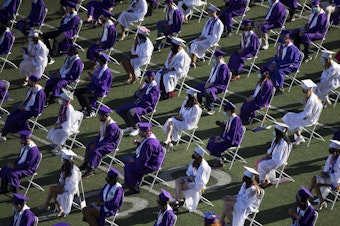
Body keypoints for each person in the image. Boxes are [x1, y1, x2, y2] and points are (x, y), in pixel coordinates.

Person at [0, 75, 46, 141]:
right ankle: (25, 130)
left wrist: (26, 108)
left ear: (33, 82)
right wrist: (23, 106)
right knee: (10, 117)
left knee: (15, 119)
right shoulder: (32, 88)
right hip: (24, 108)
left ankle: (4, 133)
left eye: (29, 81)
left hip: (31, 110)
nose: (28, 82)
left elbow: (38, 106)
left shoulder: (40, 93)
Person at [124, 122, 164, 195]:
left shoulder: (150, 143)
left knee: (129, 166)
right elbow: (145, 150)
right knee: (127, 160)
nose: (139, 132)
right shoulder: (149, 137)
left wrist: (134, 161)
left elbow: (144, 159)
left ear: (145, 132)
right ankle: (134, 180)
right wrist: (139, 144)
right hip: (150, 160)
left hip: (151, 164)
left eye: (140, 131)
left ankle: (134, 188)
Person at [80, 106, 121, 178]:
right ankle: (86, 164)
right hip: (104, 140)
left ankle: (90, 170)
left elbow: (108, 140)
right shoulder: (104, 122)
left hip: (111, 144)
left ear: (105, 116)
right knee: (89, 145)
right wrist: (95, 142)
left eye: (100, 116)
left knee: (95, 150)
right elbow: (101, 134)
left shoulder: (112, 126)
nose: (99, 117)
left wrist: (97, 145)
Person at [39, 149, 81, 217]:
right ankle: (60, 209)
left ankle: (46, 205)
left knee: (52, 188)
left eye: (63, 158)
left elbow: (73, 183)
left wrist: (62, 186)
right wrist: (60, 184)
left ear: (65, 160)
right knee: (53, 193)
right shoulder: (65, 166)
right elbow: (62, 178)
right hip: (63, 186)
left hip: (69, 189)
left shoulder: (73, 170)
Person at [117, 70, 160, 136]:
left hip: (146, 106)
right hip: (138, 103)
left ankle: (137, 128)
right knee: (121, 110)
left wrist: (140, 100)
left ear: (151, 78)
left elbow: (150, 101)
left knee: (131, 112)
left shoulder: (155, 88)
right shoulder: (145, 84)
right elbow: (136, 96)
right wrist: (139, 89)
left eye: (146, 77)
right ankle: (130, 126)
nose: (144, 78)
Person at [282, 79, 323, 145]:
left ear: (306, 90)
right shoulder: (313, 96)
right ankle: (298, 134)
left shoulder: (311, 100)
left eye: (303, 90)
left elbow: (307, 114)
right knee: (292, 117)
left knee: (288, 117)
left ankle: (299, 136)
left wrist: (300, 117)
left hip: (309, 120)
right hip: (314, 117)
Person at [74, 52, 112, 118]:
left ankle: (91, 111)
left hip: (99, 90)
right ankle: (85, 108)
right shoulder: (99, 68)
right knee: (77, 91)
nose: (97, 61)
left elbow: (102, 85)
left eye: (98, 60)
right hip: (93, 87)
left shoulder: (107, 72)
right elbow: (95, 79)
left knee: (83, 96)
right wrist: (90, 78)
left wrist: (91, 79)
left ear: (102, 61)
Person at [173, 146, 211, 212]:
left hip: (196, 184)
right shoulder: (194, 161)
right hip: (190, 179)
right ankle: (179, 200)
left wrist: (192, 179)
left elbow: (200, 181)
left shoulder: (203, 167)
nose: (193, 154)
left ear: (199, 156)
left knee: (178, 187)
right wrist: (190, 176)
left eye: (195, 153)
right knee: (177, 181)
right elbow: (189, 171)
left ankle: (177, 203)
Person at [207, 102, 243, 167]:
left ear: (229, 111)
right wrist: (220, 137)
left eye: (226, 111)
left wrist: (222, 139)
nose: (225, 113)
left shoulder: (236, 120)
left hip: (232, 141)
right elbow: (226, 131)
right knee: (212, 139)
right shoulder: (231, 118)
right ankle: (220, 158)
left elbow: (233, 134)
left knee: (215, 145)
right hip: (227, 138)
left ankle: (219, 162)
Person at [255, 122, 291, 188]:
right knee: (257, 162)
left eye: (275, 131)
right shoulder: (276, 139)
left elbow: (278, 158)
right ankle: (268, 178)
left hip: (277, 161)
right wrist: (267, 154)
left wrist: (269, 156)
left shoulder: (283, 143)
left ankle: (263, 181)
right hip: (272, 158)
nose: (274, 132)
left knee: (261, 165)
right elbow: (271, 149)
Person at [195, 50, 230, 115]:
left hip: (219, 86)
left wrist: (210, 84)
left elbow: (221, 80)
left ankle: (211, 108)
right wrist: (208, 83)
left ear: (219, 58)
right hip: (211, 83)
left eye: (214, 58)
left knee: (207, 92)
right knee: (196, 88)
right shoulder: (216, 64)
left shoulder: (223, 67)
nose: (213, 59)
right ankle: (201, 105)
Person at [308, 140, 340, 211]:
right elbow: (327, 168)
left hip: (336, 181)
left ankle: (306, 196)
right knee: (316, 184)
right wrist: (324, 172)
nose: (330, 150)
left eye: (331, 149)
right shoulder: (331, 157)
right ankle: (321, 201)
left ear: (336, 150)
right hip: (330, 177)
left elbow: (338, 175)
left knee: (315, 178)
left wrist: (329, 175)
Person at [266, 30, 301, 94]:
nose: (281, 38)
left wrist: (277, 64)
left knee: (278, 70)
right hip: (281, 63)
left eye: (283, 37)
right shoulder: (280, 46)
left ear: (288, 38)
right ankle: (270, 85)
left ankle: (279, 88)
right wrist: (273, 62)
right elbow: (277, 57)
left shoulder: (292, 48)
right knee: (269, 66)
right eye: (281, 36)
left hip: (291, 65)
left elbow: (290, 60)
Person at [46, 89, 77, 155]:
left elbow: (69, 122)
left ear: (64, 100)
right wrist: (56, 123)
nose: (59, 100)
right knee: (52, 130)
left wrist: (59, 126)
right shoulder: (63, 106)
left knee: (57, 133)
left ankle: (62, 147)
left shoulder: (69, 109)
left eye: (60, 98)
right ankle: (60, 146)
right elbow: (60, 117)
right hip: (63, 124)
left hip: (70, 126)